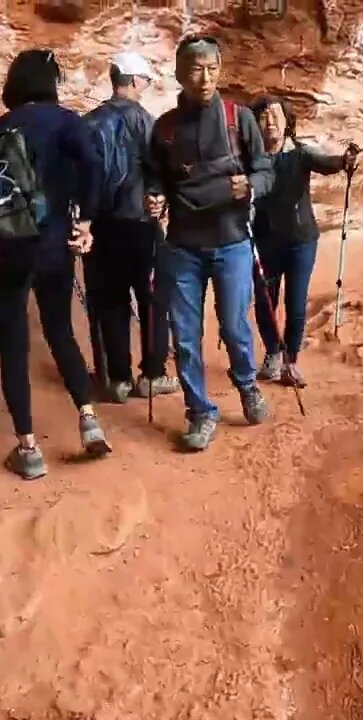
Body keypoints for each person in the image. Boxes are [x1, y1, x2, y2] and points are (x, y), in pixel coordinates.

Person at [144, 36, 275, 451]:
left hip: (232, 243)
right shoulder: (164, 127)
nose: (205, 77)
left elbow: (266, 170)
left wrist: (251, 185)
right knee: (184, 336)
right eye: (196, 69)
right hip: (183, 246)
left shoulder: (239, 119)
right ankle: (200, 412)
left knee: (235, 327)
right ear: (180, 73)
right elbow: (155, 176)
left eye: (213, 68)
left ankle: (248, 385)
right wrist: (155, 195)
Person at [0, 49, 112, 480]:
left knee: (13, 345)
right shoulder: (68, 122)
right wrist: (85, 222)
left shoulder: (3, 127)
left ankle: (28, 449)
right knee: (60, 330)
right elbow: (92, 168)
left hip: (10, 252)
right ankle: (88, 421)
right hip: (56, 247)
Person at [84, 51, 180, 404]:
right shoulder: (147, 122)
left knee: (111, 301)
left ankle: (118, 380)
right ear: (135, 80)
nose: (146, 87)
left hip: (100, 227)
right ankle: (153, 375)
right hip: (141, 226)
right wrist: (159, 197)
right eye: (146, 81)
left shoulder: (89, 123)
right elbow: (161, 172)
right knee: (153, 299)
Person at [248, 94, 358, 388]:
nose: (269, 122)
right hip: (265, 243)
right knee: (264, 302)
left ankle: (291, 361)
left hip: (300, 242)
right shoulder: (251, 161)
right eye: (263, 117)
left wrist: (345, 161)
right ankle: (272, 351)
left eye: (275, 116)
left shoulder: (300, 155)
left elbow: (327, 162)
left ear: (287, 123)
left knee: (296, 303)